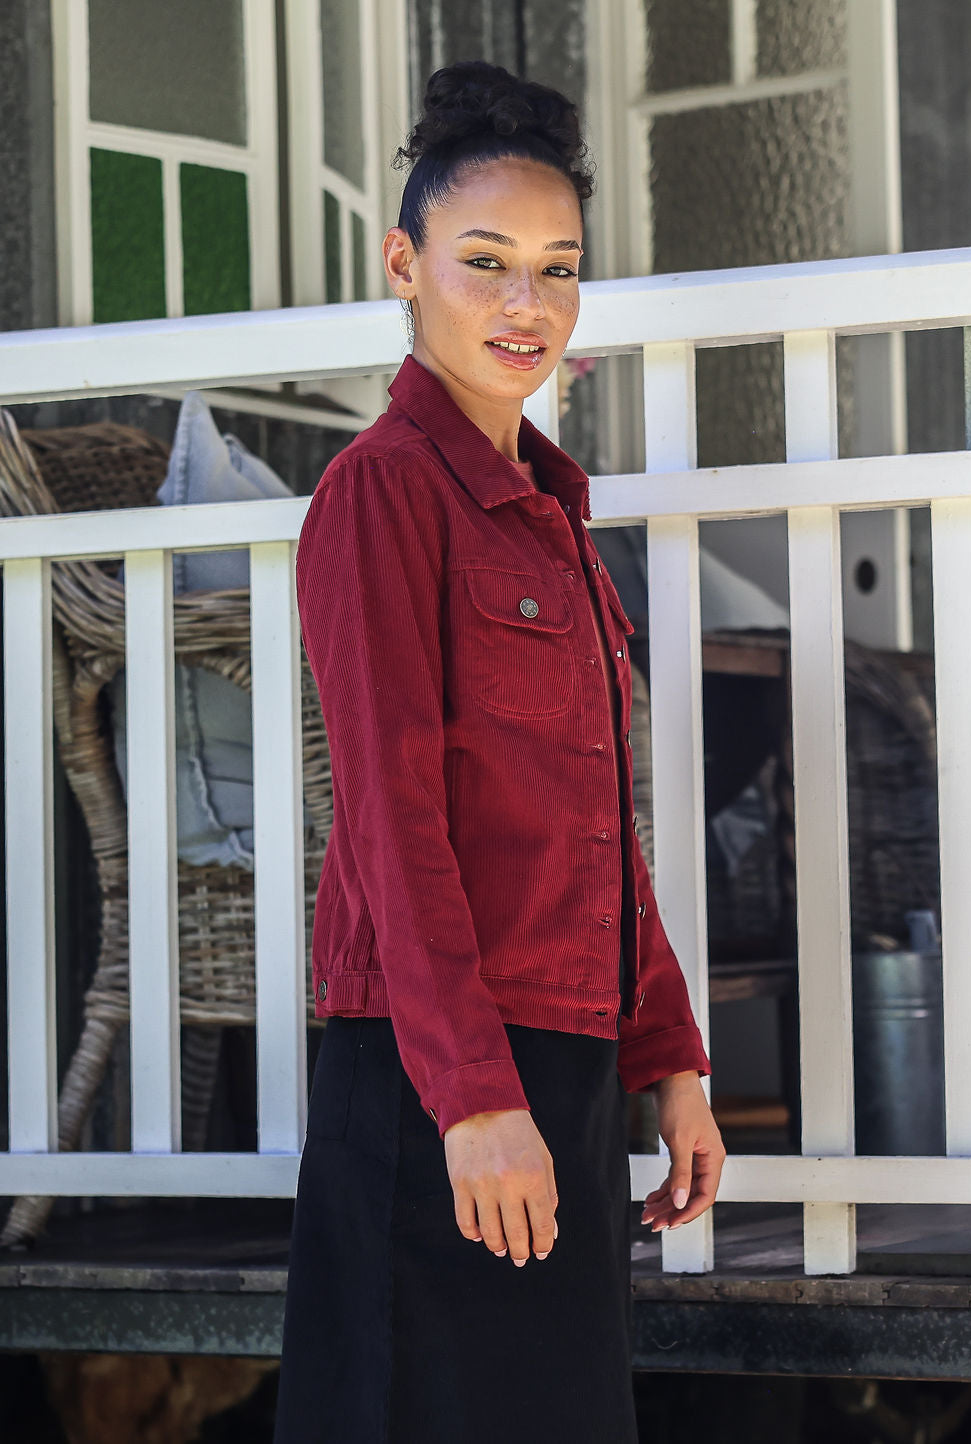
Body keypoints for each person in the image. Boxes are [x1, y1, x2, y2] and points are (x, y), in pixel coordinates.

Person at [273, 59, 725, 1444]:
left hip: (568, 1069)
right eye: (485, 264)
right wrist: (471, 1101)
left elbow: (598, 822)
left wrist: (673, 1058)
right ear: (404, 265)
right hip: (437, 1079)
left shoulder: (552, 519)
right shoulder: (380, 499)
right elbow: (394, 826)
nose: (525, 304)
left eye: (557, 268)